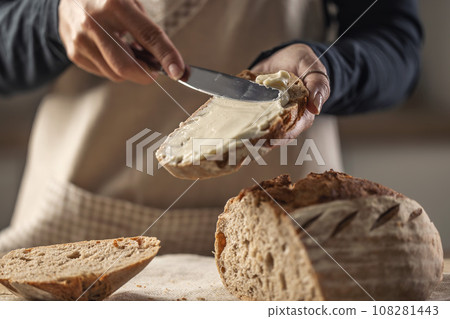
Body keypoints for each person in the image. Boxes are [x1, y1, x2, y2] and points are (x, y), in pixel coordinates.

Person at [0, 0, 422, 254]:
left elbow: (397, 47)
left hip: (289, 221)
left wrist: (326, 67)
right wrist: (50, 19)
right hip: (77, 217)